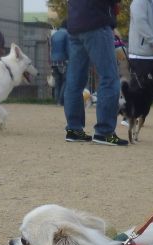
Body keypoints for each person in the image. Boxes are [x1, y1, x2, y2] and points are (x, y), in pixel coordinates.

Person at [64, 0, 127, 146]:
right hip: (97, 21)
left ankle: (74, 129)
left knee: (75, 80)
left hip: (75, 23)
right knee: (109, 77)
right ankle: (104, 132)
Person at [50, 20, 69, 106]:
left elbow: (51, 47)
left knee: (58, 82)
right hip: (63, 60)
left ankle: (57, 100)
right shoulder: (67, 34)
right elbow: (68, 48)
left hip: (53, 60)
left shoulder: (54, 35)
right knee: (66, 80)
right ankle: (61, 101)